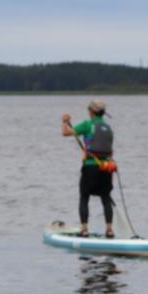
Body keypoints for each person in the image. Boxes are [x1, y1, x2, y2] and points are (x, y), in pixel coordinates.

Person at [60, 100, 115, 238]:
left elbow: (65, 133)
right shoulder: (109, 129)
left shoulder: (87, 124)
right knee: (106, 198)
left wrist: (65, 121)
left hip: (90, 167)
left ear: (92, 111)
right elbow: (110, 152)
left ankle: (84, 229)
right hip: (107, 168)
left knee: (84, 197)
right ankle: (109, 229)